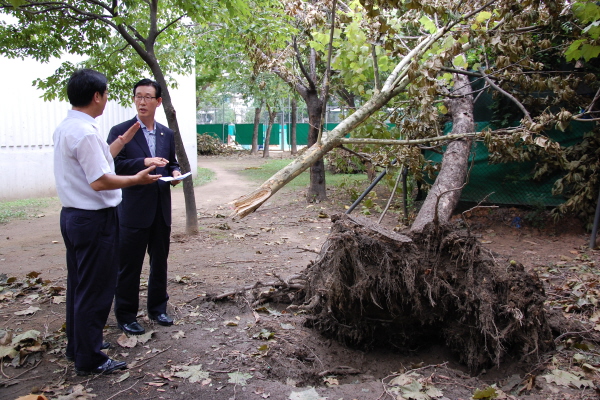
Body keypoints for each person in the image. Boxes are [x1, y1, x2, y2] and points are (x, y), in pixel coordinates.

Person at [54, 69, 160, 375]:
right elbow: (100, 181)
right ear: (97, 96)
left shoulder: (69, 127)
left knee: (79, 285)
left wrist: (123, 139)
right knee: (96, 290)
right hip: (93, 220)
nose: (107, 99)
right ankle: (90, 358)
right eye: (106, 94)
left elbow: (98, 161)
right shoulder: (85, 133)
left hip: (73, 217)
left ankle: (79, 347)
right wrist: (137, 179)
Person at [107, 78, 182, 336]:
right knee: (129, 265)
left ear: (158, 102)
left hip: (161, 208)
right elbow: (112, 166)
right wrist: (144, 161)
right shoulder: (122, 131)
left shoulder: (166, 133)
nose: (142, 101)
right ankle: (126, 315)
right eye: (138, 96)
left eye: (148, 97)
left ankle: (158, 308)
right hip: (133, 210)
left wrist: (175, 171)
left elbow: (171, 162)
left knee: (159, 261)